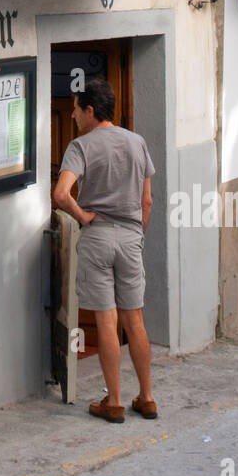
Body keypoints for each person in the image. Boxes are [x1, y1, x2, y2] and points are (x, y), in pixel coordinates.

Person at [52, 76, 157, 424]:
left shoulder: (80, 147)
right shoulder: (137, 142)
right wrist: (135, 233)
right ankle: (147, 397)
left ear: (91, 111)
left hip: (97, 237)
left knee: (106, 320)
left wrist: (83, 216)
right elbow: (147, 199)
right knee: (134, 318)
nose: (72, 116)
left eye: (76, 109)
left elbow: (61, 194)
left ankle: (113, 401)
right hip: (130, 237)